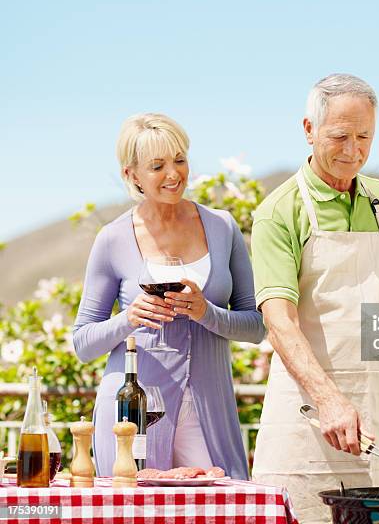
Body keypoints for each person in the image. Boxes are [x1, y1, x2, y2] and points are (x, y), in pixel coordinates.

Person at [251, 74, 379, 522]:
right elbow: (280, 321)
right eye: (340, 136)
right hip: (308, 413)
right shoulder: (280, 210)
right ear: (309, 130)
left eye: (364, 136)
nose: (353, 149)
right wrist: (329, 400)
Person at [73, 113, 265, 478]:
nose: (174, 174)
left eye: (180, 160)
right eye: (157, 166)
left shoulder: (223, 227)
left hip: (209, 407)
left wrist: (206, 312)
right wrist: (128, 318)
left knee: (222, 506)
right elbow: (83, 343)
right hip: (134, 416)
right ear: (131, 175)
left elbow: (256, 326)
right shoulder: (112, 239)